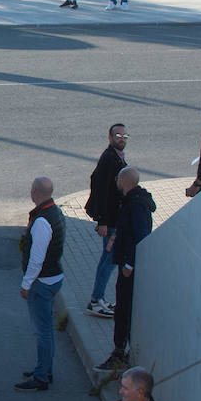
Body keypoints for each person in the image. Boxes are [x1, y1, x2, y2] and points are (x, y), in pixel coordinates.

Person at [94, 167, 155, 374]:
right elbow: (128, 229)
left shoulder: (135, 205)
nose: (117, 183)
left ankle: (120, 354)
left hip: (129, 269)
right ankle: (121, 351)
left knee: (123, 312)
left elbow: (140, 236)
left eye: (119, 179)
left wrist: (129, 264)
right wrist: (115, 238)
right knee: (123, 310)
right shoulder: (134, 201)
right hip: (127, 265)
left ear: (124, 182)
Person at [15, 176, 64, 392]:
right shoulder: (54, 212)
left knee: (42, 331)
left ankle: (42, 376)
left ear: (35, 191)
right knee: (47, 330)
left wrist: (26, 284)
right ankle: (45, 368)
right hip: (53, 278)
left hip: (42, 283)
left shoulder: (42, 220)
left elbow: (37, 259)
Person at [84, 124, 128, 319]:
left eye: (125, 135)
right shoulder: (109, 159)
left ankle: (99, 298)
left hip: (112, 219)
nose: (122, 138)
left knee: (107, 259)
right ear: (110, 137)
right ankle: (95, 300)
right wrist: (101, 221)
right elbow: (101, 190)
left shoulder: (115, 157)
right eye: (118, 135)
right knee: (109, 260)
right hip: (110, 220)